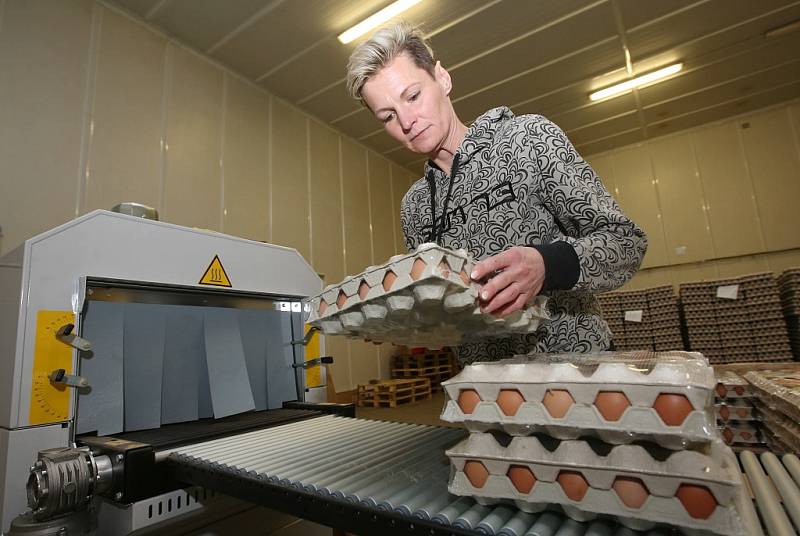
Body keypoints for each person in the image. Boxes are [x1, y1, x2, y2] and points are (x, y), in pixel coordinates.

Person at [345, 22, 647, 364]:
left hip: (576, 370)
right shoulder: (415, 207)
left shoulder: (529, 139)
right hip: (485, 389)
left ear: (442, 78)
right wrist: (402, 322)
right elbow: (443, 311)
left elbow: (625, 242)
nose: (407, 121)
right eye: (388, 116)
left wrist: (548, 264)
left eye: (412, 96)